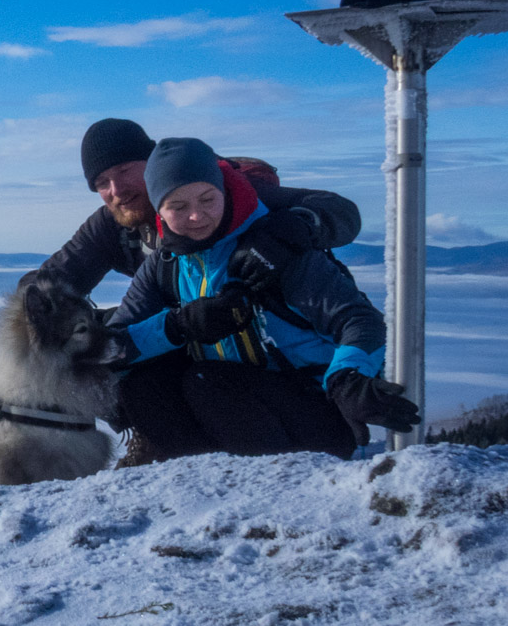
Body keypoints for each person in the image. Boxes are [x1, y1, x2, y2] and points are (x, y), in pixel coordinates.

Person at [108, 137, 419, 460]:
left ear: (224, 191)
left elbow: (359, 320)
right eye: (178, 207)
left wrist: (347, 379)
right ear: (158, 209)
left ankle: (276, 485)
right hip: (239, 409)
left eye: (207, 199)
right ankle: (201, 484)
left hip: (315, 410)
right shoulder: (165, 265)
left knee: (206, 382)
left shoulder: (274, 248)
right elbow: (111, 347)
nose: (196, 216)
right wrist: (178, 326)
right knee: (144, 386)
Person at [36, 118, 362, 298]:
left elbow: (340, 209)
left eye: (124, 171)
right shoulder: (111, 225)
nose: (116, 191)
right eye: (102, 183)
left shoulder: (223, 195)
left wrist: (289, 230)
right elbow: (51, 280)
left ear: (153, 165)